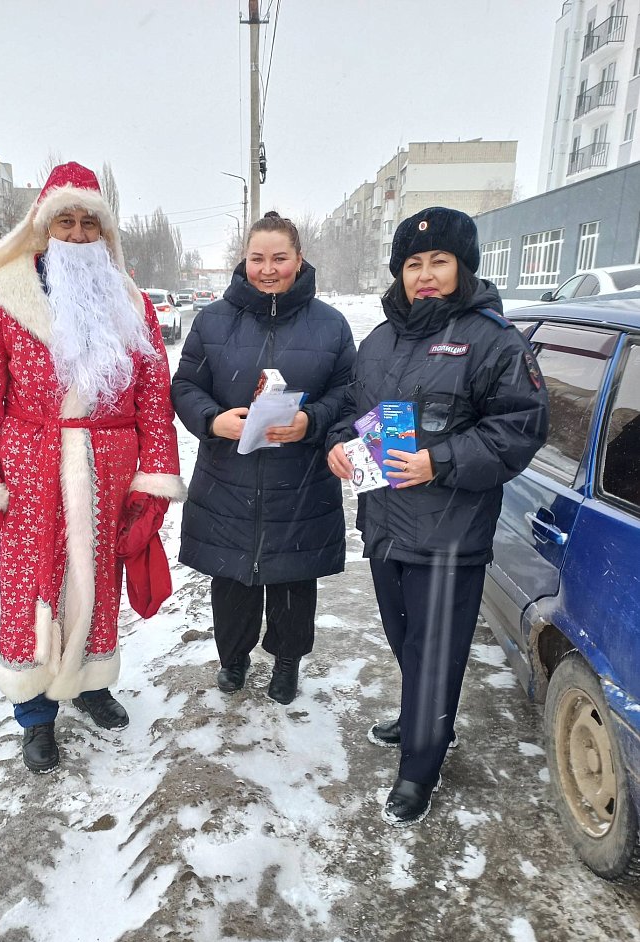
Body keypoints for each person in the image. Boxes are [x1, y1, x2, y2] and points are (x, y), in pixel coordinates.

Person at [0, 162, 184, 774]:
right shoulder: (4, 296)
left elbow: (153, 398)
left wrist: (155, 477)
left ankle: (91, 683)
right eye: (65, 222)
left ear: (105, 233)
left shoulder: (131, 302)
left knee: (100, 580)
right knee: (33, 583)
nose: (78, 234)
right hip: (32, 467)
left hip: (110, 467)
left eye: (89, 223)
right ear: (43, 227)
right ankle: (35, 712)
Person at [326, 206, 548, 826]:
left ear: (463, 267)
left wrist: (440, 461)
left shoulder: (493, 340)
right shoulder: (380, 339)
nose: (424, 275)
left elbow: (520, 427)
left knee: (436, 652)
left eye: (438, 262)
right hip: (385, 521)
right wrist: (339, 445)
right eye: (413, 264)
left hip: (451, 529)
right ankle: (424, 718)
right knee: (406, 640)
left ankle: (420, 769)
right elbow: (354, 410)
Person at [171, 211, 356, 704]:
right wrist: (214, 420)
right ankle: (233, 659)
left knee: (293, 578)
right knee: (233, 578)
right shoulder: (213, 321)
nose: (268, 269)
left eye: (279, 258)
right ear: (244, 260)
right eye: (258, 258)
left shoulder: (330, 325)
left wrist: (311, 421)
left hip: (300, 480)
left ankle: (287, 661)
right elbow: (185, 385)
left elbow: (349, 392)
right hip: (227, 476)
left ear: (299, 259)